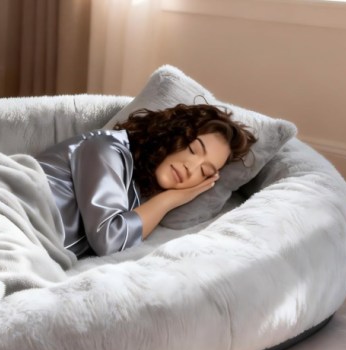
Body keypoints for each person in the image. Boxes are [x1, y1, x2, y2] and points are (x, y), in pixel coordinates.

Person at [35, 103, 257, 257]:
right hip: (19, 210)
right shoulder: (107, 149)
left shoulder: (135, 191)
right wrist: (171, 199)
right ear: (173, 133)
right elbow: (109, 239)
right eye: (192, 149)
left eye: (205, 171)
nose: (191, 169)